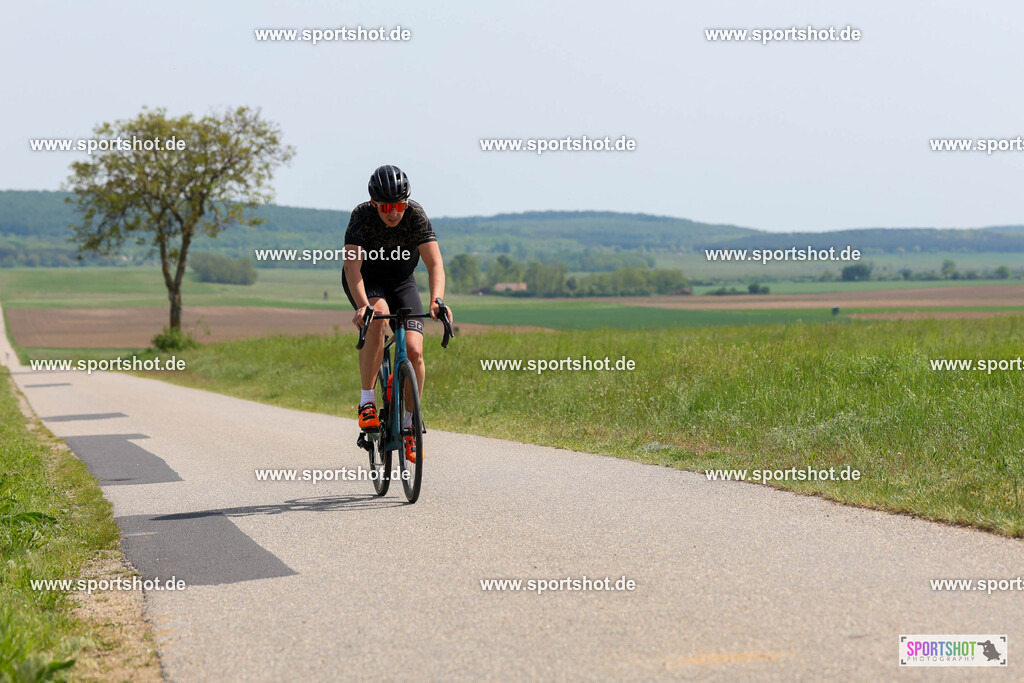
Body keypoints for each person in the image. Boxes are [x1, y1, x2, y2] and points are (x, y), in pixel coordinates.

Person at [342, 164, 452, 463]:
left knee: (415, 351)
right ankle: (366, 402)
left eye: (399, 205)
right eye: (387, 207)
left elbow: (434, 264)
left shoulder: (415, 214)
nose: (394, 213)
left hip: (402, 280)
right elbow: (352, 267)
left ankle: (409, 426)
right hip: (368, 280)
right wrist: (363, 305)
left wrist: (437, 299)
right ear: (375, 203)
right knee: (378, 318)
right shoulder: (361, 217)